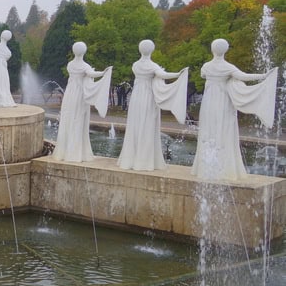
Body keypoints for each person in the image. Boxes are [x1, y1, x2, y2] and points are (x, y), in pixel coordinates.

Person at [191, 38, 278, 180]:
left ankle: (205, 166)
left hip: (208, 102)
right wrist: (263, 76)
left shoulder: (206, 66)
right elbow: (243, 77)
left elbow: (203, 75)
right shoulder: (228, 67)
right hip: (224, 101)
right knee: (224, 129)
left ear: (212, 49)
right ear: (226, 50)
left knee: (209, 130)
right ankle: (226, 167)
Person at [117, 40, 188, 171]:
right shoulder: (152, 66)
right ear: (152, 50)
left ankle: (131, 158)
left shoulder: (135, 65)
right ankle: (144, 160)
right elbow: (163, 75)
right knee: (147, 125)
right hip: (148, 97)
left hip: (136, 96)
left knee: (135, 125)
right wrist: (178, 74)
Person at [52, 42, 112, 162]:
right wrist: (103, 73)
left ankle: (64, 152)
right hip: (79, 95)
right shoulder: (85, 66)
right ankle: (75, 153)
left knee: (68, 119)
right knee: (78, 120)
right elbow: (91, 74)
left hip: (69, 94)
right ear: (84, 51)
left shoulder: (70, 64)